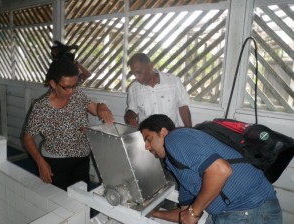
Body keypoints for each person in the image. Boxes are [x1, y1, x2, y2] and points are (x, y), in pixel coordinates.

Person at [138, 114, 282, 224]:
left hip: (249, 210)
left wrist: (194, 212)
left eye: (148, 139)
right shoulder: (177, 165)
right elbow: (184, 213)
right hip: (238, 212)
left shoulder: (175, 139)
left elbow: (221, 170)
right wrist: (155, 213)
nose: (146, 146)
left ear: (163, 132)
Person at [23, 59, 114, 191]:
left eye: (74, 85)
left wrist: (102, 106)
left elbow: (95, 109)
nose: (71, 91)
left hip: (82, 157)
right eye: (66, 87)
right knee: (59, 201)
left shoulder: (77, 95)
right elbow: (27, 138)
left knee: (81, 198)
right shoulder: (41, 107)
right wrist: (40, 162)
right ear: (53, 83)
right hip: (56, 161)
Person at [124, 53, 192, 127]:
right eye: (134, 74)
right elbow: (132, 110)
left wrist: (189, 131)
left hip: (170, 134)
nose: (137, 77)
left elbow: (183, 107)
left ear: (150, 65)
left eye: (139, 72)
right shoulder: (134, 88)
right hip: (147, 136)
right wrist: (129, 117)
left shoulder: (173, 82)